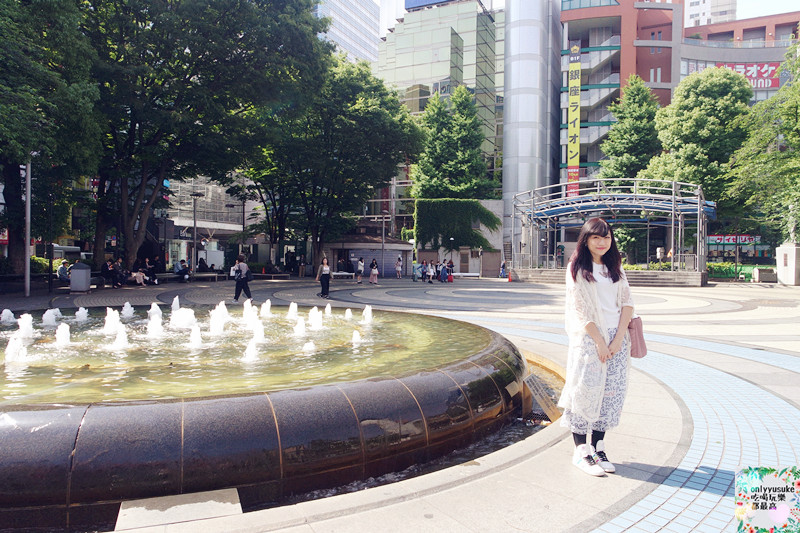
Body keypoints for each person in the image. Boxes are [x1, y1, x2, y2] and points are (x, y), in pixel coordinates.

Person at [557, 218, 634, 477]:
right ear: (586, 240)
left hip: (617, 339)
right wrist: (601, 342)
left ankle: (598, 446)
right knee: (584, 390)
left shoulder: (616, 269)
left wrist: (616, 340)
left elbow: (627, 304)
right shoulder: (577, 269)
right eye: (596, 237)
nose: (602, 242)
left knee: (610, 392)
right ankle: (580, 451)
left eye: (607, 237)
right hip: (590, 339)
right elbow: (580, 310)